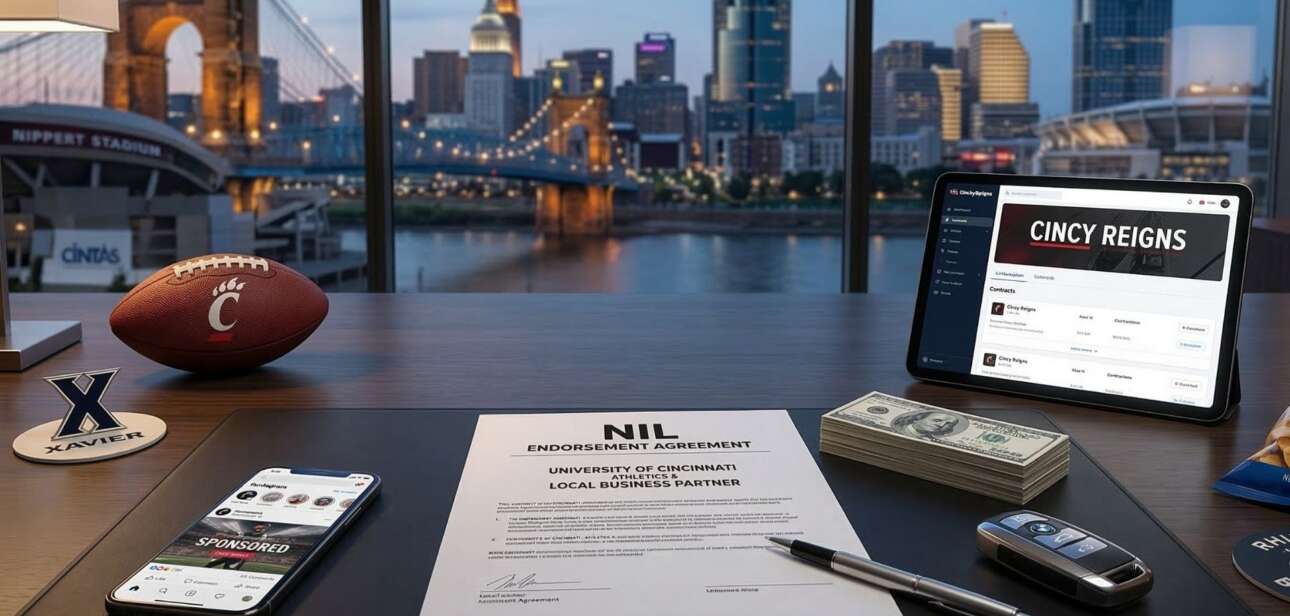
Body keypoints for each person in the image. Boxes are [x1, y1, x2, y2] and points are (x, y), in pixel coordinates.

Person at [203, 523, 271, 570]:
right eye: (259, 528)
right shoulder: (248, 533)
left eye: (261, 528)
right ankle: (207, 567)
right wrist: (226, 533)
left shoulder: (262, 536)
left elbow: (260, 540)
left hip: (243, 554)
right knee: (220, 561)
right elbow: (237, 534)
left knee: (229, 567)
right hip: (236, 551)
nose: (260, 529)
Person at [893, 411, 962, 439]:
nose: (941, 425)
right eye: (937, 420)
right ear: (918, 419)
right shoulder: (898, 428)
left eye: (948, 424)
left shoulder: (931, 439)